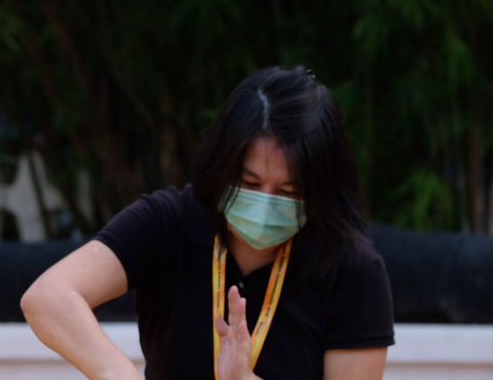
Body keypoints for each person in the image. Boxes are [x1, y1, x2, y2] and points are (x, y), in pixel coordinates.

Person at [21, 66, 394, 379]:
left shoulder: (352, 269)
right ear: (222, 164)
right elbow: (48, 297)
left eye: (288, 191)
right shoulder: (169, 222)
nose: (265, 202)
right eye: (249, 183)